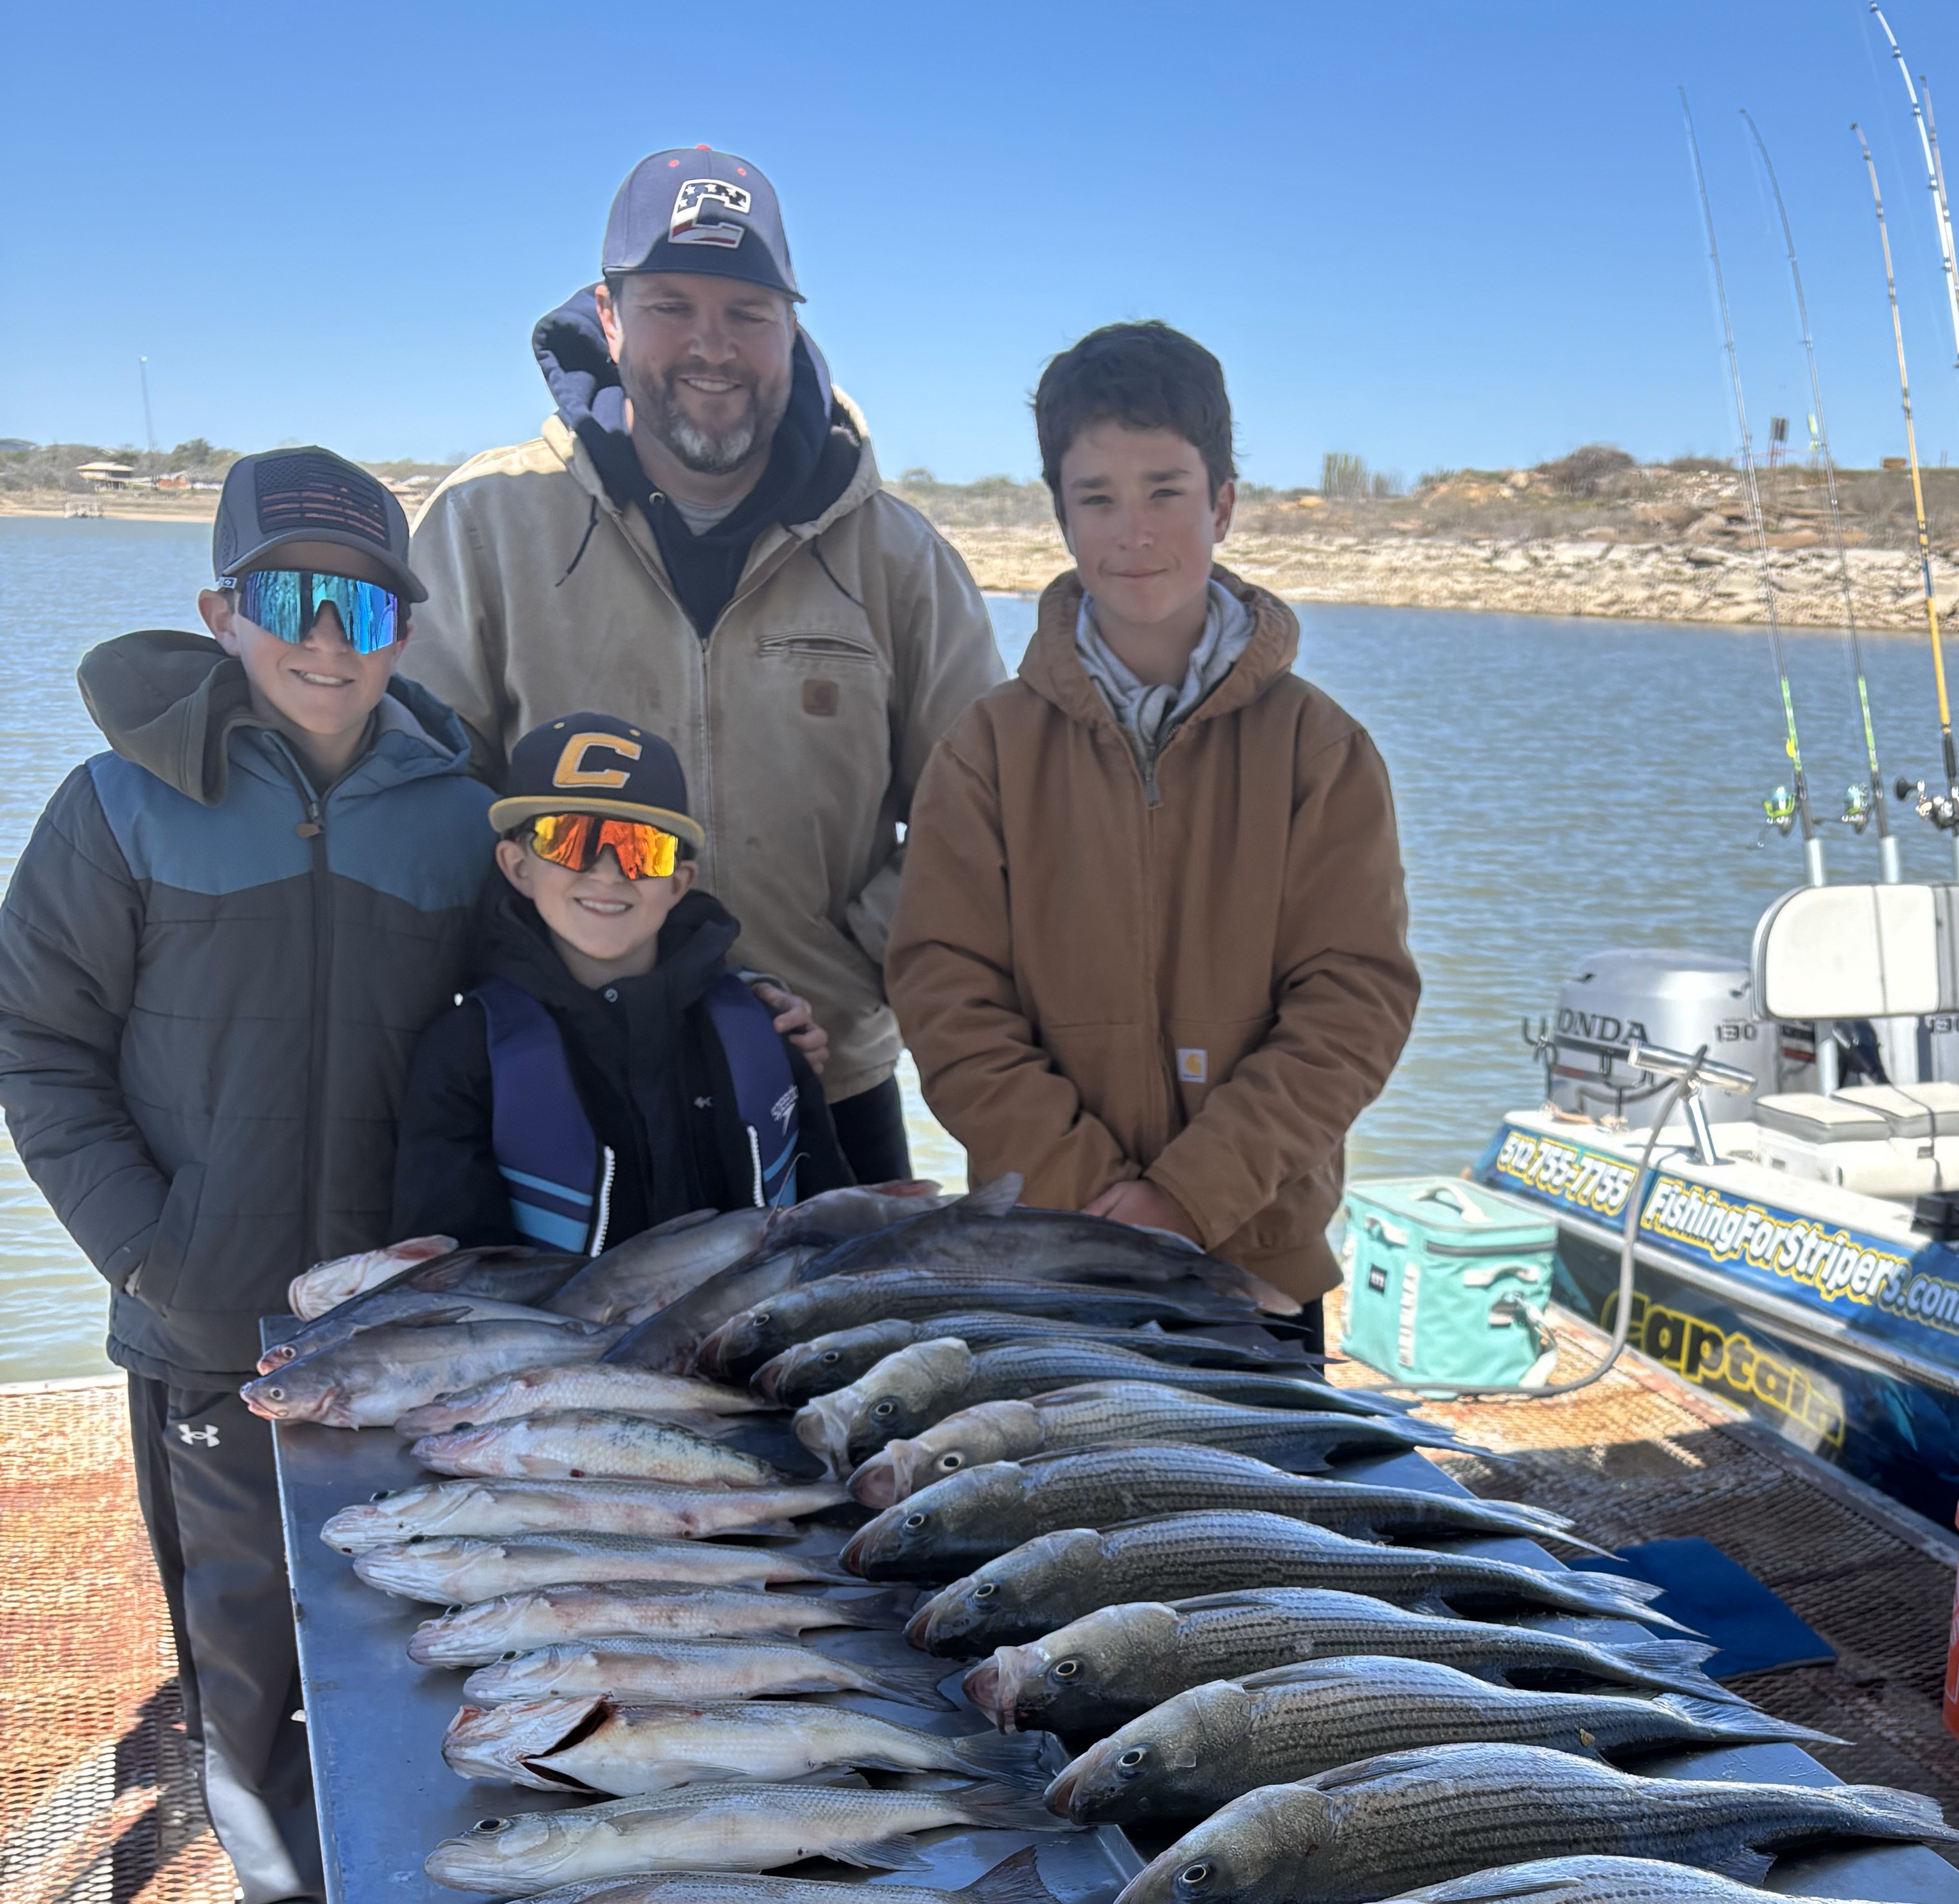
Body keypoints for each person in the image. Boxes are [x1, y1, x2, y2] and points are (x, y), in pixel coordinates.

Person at [0, 450, 498, 1904]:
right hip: (202, 1327)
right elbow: (36, 1039)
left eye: (363, 601)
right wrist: (147, 1252)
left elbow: (546, 996)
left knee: (420, 1623)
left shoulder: (460, 810)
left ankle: (424, 1894)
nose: (328, 637)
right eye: (289, 597)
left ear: (405, 628)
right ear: (223, 611)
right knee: (239, 1636)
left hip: (407, 1335)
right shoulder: (119, 802)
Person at [407, 146, 1003, 1187]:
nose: (711, 346)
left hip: (824, 1080)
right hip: (554, 1091)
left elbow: (984, 810)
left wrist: (850, 962)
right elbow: (428, 804)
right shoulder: (482, 523)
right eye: (671, 305)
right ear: (608, 315)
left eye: (748, 313)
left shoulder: (900, 557)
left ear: (791, 327)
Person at [887, 320, 1419, 1320]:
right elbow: (945, 993)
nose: (1133, 531)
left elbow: (1354, 1005)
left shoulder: (1322, 751)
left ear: (1222, 503)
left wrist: (1184, 1200)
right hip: (1048, 1256)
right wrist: (1092, 1201)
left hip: (1256, 1265)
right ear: (1062, 518)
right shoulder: (986, 750)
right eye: (1098, 498)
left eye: (1165, 492)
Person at [390, 711, 848, 1250]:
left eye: (641, 849)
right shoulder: (467, 1053)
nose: (607, 872)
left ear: (679, 883)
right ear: (517, 867)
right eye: (570, 841)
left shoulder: (765, 1031)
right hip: (561, 1334)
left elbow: (837, 1234)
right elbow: (448, 1281)